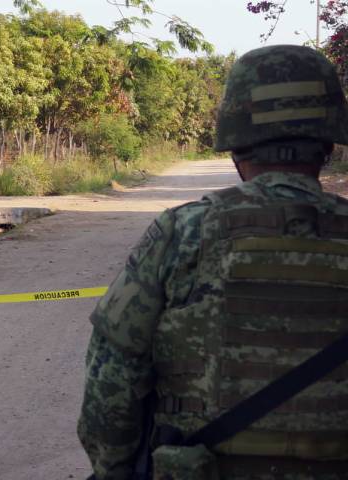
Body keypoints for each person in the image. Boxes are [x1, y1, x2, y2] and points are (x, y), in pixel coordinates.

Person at [78, 44, 348, 480]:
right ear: (328, 143)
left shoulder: (183, 232)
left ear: (236, 141)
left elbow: (113, 376)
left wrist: (114, 469)